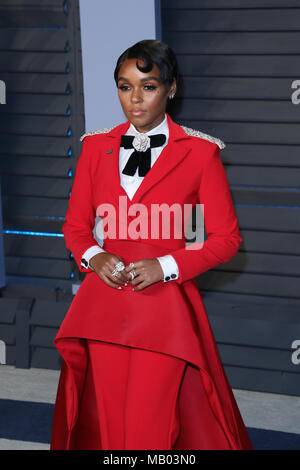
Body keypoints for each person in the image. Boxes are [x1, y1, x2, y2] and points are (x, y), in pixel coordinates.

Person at [50, 39, 253, 450]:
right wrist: (94, 254)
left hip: (163, 307)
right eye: (125, 87)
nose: (135, 98)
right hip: (102, 304)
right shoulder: (93, 147)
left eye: (149, 85)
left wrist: (167, 265)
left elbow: (226, 239)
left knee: (150, 422)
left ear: (171, 89)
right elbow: (75, 227)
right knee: (108, 417)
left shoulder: (200, 153)